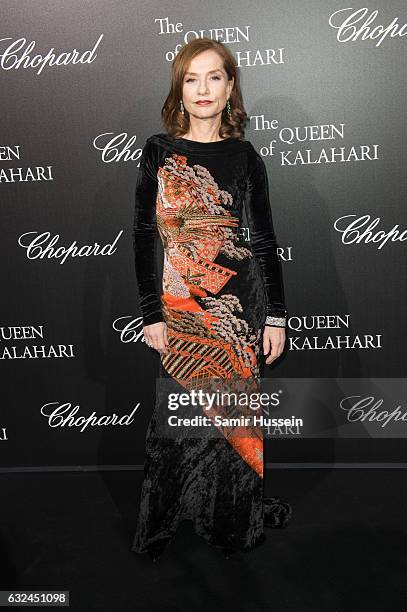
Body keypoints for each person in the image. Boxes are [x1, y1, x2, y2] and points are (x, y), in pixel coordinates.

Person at [131, 37, 292, 562]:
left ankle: (232, 523)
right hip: (179, 306)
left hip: (239, 308)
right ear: (180, 88)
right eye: (192, 78)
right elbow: (143, 236)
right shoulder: (159, 150)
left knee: (235, 422)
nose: (203, 89)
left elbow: (264, 242)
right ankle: (166, 522)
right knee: (178, 421)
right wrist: (151, 313)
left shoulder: (246, 157)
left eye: (214, 77)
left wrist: (275, 316)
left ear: (230, 88)